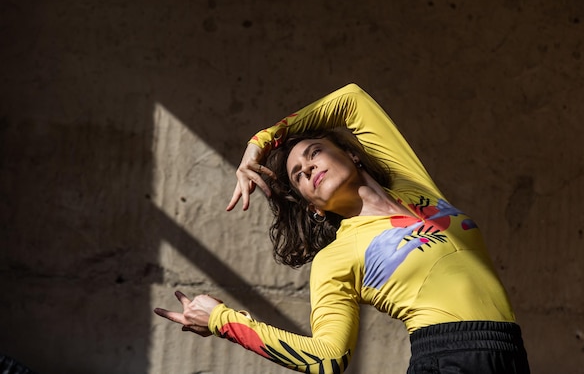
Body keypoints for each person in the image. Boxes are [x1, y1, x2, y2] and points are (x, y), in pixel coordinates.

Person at [154, 83, 530, 373]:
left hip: (510, 351)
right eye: (298, 176)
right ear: (312, 207)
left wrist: (261, 143)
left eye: (314, 152)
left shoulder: (415, 188)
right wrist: (223, 320)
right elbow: (329, 359)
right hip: (447, 357)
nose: (308, 168)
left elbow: (350, 100)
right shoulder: (338, 257)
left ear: (350, 153)